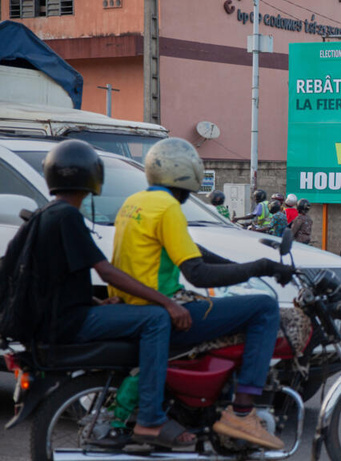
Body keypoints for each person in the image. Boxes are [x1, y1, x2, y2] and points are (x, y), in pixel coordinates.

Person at [13, 140, 202, 448]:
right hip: (70, 322)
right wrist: (167, 302)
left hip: (59, 316)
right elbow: (107, 271)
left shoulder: (45, 213)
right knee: (156, 319)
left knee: (148, 315)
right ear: (94, 177)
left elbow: (55, 280)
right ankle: (151, 418)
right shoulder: (68, 217)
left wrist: (100, 301)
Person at [111, 138, 297, 448]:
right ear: (185, 174)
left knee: (236, 303)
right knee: (264, 307)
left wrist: (252, 266)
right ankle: (241, 411)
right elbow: (196, 273)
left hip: (136, 308)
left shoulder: (136, 202)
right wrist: (259, 267)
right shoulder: (168, 207)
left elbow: (193, 251)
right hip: (165, 310)